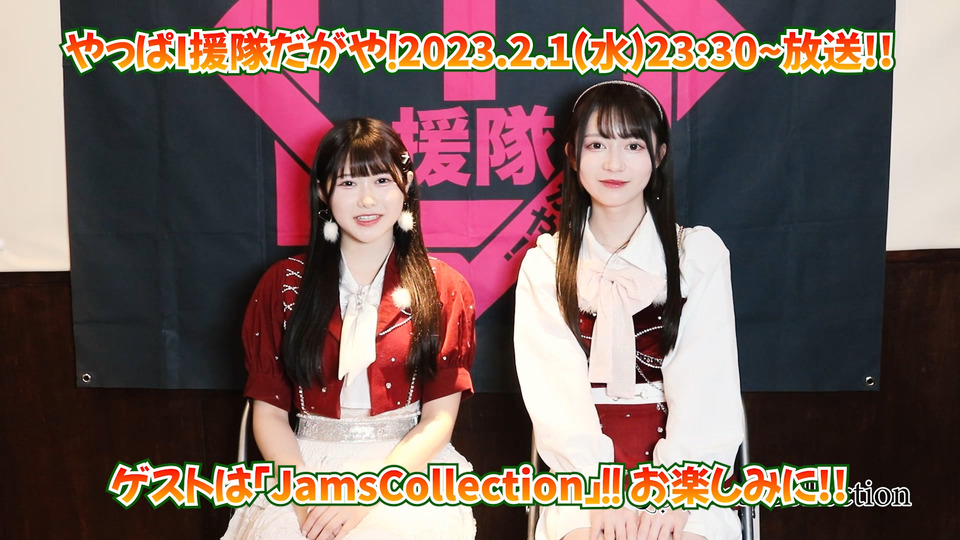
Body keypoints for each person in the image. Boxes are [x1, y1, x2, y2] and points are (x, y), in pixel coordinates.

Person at [224, 118, 477, 540]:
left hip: (406, 466)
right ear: (323, 192)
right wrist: (305, 497)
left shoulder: (444, 287)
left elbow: (438, 419)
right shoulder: (283, 285)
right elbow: (269, 415)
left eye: (382, 180)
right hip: (302, 466)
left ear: (406, 185)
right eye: (347, 183)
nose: (366, 199)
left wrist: (369, 495)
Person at [514, 81, 744, 540]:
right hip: (580, 478)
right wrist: (596, 489)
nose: (614, 164)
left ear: (659, 155)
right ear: (572, 155)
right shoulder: (546, 265)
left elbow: (708, 384)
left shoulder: (696, 255)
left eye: (633, 145)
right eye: (597, 145)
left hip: (685, 472)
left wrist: (679, 490)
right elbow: (555, 396)